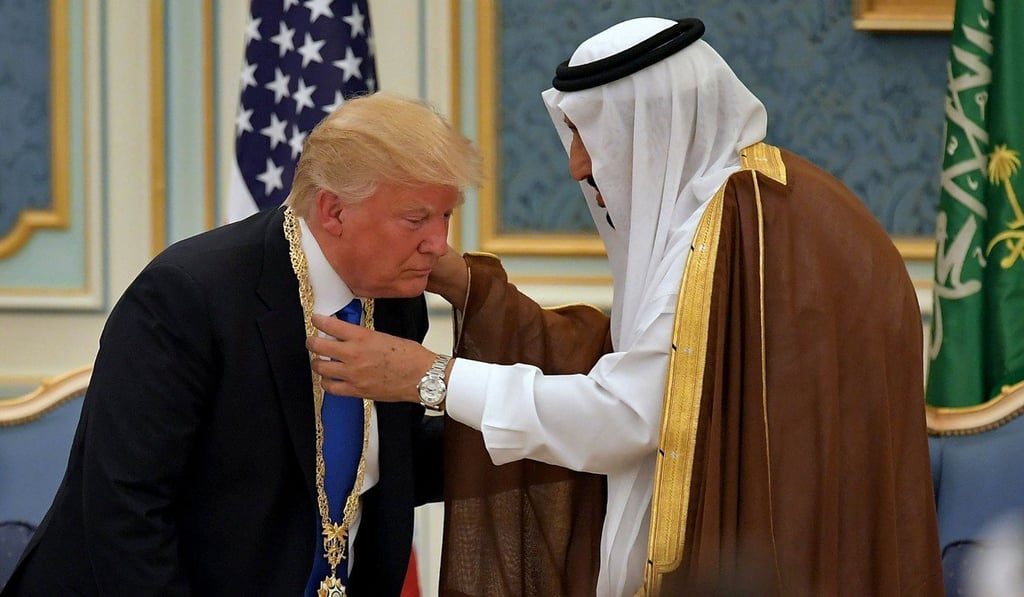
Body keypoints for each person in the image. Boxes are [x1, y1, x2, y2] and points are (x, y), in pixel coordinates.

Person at [307, 18, 944, 596]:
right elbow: (635, 369)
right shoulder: (750, 205)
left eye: (589, 136)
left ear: (653, 128)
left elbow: (628, 416)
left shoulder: (741, 230)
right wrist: (474, 290)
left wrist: (431, 378)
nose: (578, 166)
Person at [1, 92, 481, 596]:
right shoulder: (188, 295)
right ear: (334, 211)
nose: (438, 245)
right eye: (415, 220)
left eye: (445, 216)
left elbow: (382, 461)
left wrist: (520, 421)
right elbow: (125, 513)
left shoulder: (395, 301)